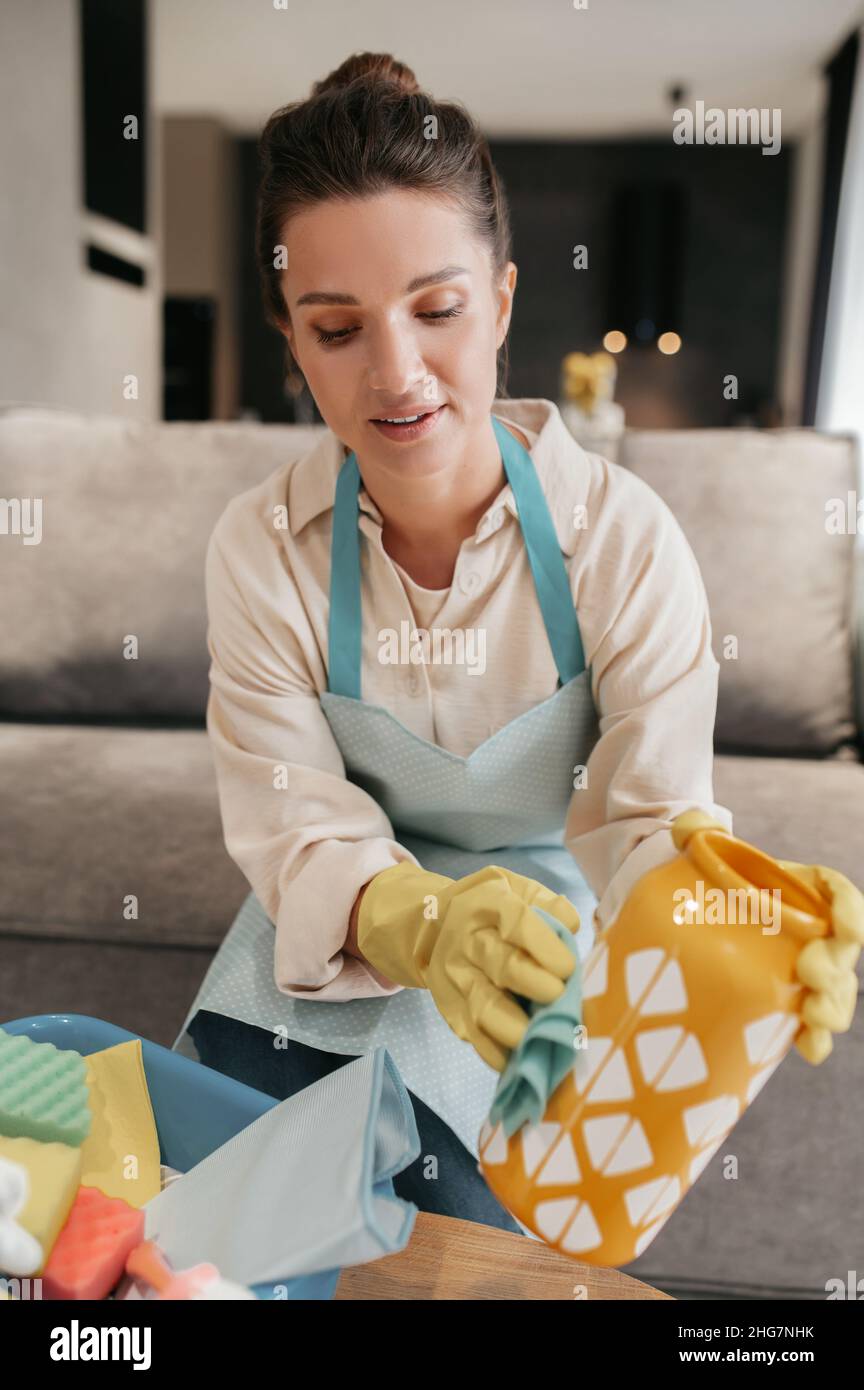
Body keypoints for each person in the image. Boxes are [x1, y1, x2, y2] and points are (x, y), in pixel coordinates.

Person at [173, 49, 736, 1233]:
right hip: (331, 931)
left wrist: (744, 933)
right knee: (211, 1225)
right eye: (337, 329)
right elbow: (300, 823)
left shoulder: (618, 541)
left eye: (438, 310)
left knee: (453, 1242)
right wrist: (415, 917)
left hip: (535, 956)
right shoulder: (262, 546)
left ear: (506, 301)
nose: (398, 373)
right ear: (290, 339)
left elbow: (651, 823)